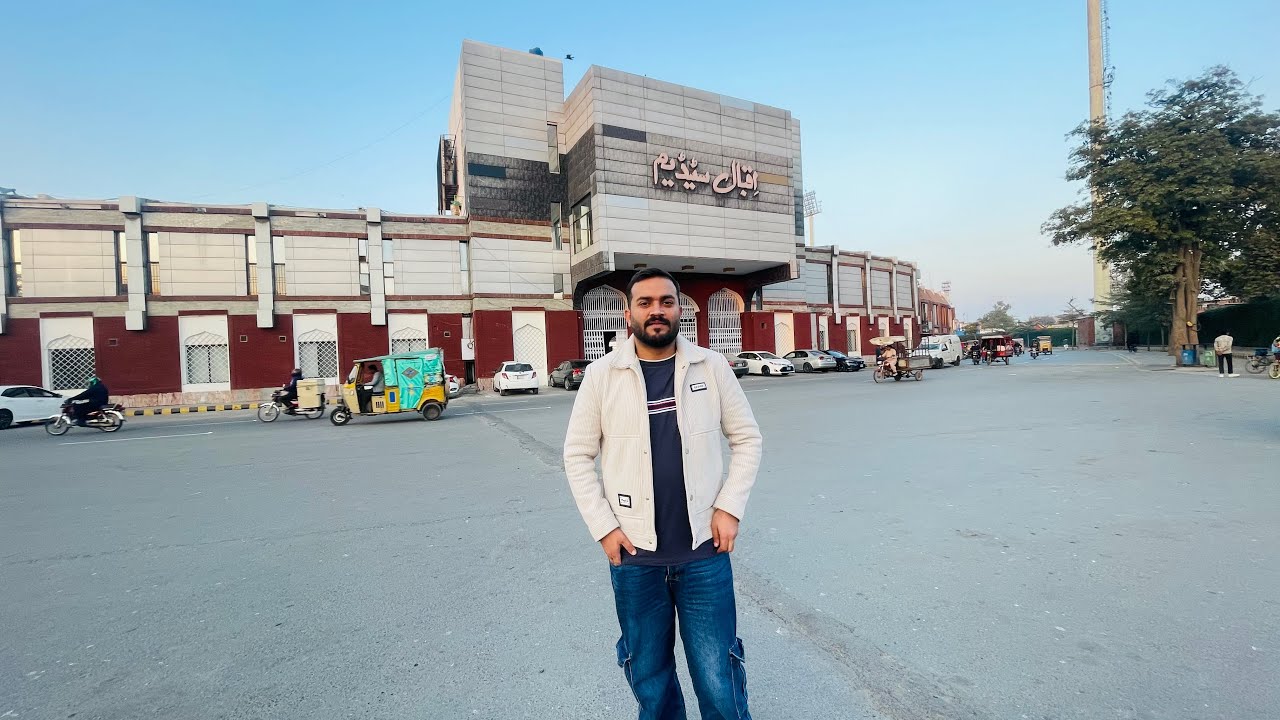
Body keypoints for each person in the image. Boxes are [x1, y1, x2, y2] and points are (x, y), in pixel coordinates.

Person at [564, 268, 763, 720]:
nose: (657, 310)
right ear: (629, 311)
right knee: (651, 678)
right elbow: (576, 456)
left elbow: (747, 438)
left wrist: (729, 507)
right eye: (646, 302)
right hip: (635, 558)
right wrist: (604, 527)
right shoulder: (601, 375)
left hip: (704, 552)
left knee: (719, 678)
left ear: (680, 309)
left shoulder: (710, 367)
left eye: (667, 302)